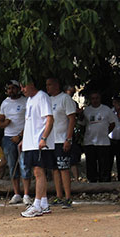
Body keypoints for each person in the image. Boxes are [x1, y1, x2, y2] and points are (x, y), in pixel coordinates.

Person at [19, 78, 54, 218]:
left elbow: (50, 119)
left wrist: (44, 138)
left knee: (39, 172)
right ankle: (44, 203)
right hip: (30, 143)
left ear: (31, 84)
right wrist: (24, 139)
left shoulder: (42, 97)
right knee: (37, 172)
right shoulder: (29, 100)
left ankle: (37, 204)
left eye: (23, 87)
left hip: (38, 142)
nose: (22, 90)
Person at [0, 80, 31, 205]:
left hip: (23, 137)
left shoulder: (25, 101)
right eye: (9, 88)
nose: (11, 91)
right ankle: (17, 193)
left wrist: (20, 135)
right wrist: (4, 124)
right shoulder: (5, 103)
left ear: (18, 89)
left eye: (13, 88)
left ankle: (26, 194)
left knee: (24, 165)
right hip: (8, 138)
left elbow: (30, 120)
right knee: (12, 166)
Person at [46, 77, 76, 208]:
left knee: (64, 168)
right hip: (51, 140)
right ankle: (59, 196)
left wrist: (68, 138)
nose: (47, 87)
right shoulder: (47, 100)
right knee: (54, 169)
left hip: (61, 139)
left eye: (50, 85)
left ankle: (68, 197)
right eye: (46, 85)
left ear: (57, 85)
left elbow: (72, 119)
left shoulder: (65, 98)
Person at [79, 90, 116, 182]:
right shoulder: (86, 110)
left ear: (100, 99)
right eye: (93, 98)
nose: (95, 100)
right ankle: (92, 181)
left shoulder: (106, 109)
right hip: (89, 141)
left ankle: (104, 181)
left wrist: (105, 132)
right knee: (91, 163)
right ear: (90, 100)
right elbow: (82, 124)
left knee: (104, 164)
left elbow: (112, 124)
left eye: (97, 98)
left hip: (103, 142)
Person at [64, 84, 83, 181]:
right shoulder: (61, 101)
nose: (70, 95)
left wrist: (79, 113)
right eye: (69, 92)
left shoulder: (73, 103)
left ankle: (76, 179)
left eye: (72, 93)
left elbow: (76, 119)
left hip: (71, 132)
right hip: (61, 132)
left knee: (73, 158)